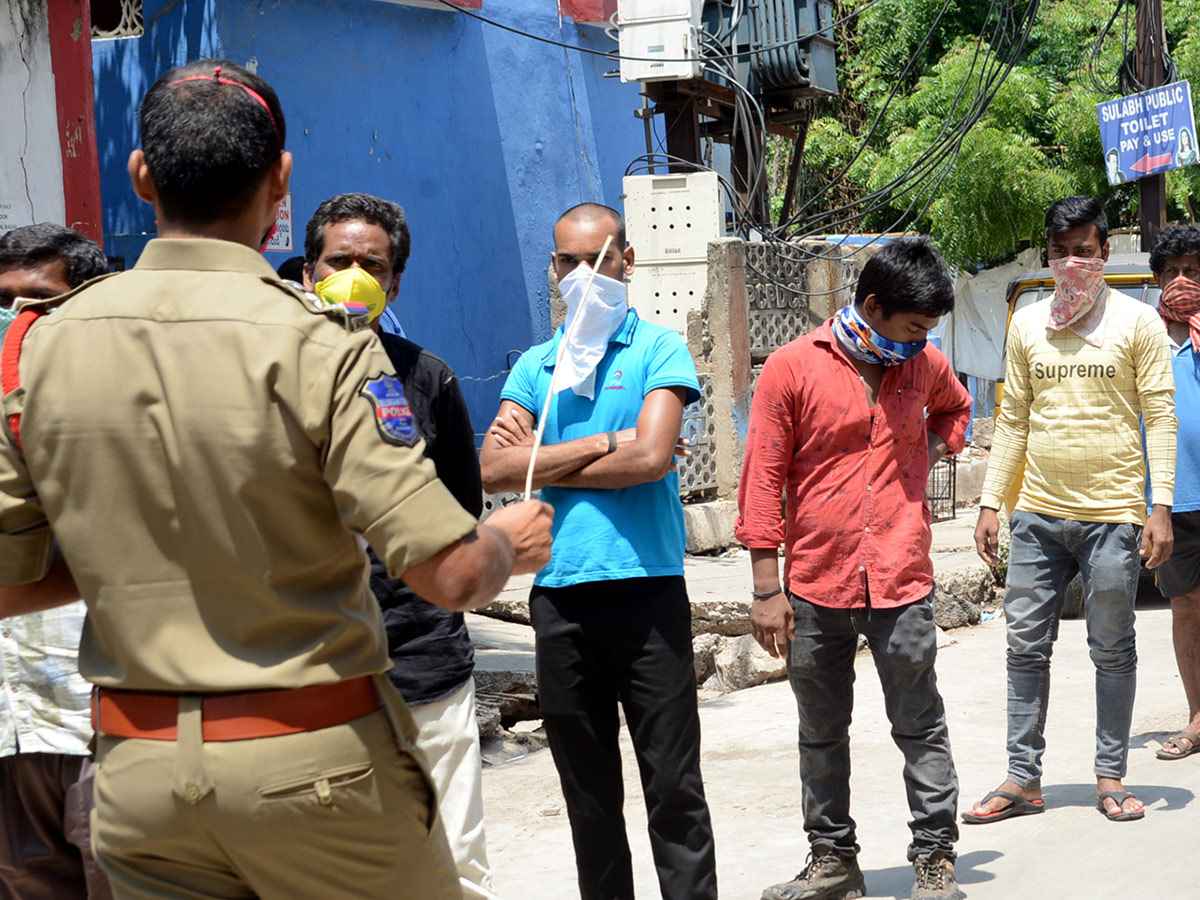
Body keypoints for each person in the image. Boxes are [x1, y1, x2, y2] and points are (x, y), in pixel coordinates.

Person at [0, 58, 554, 900]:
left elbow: (13, 581)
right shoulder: (325, 344)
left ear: (142, 175)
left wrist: (131, 556)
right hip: (313, 767)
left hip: (137, 772)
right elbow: (445, 573)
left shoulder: (39, 350)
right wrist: (506, 544)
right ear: (280, 181)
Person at [479, 202, 717, 900]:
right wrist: (599, 443)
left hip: (646, 593)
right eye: (569, 263)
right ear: (553, 270)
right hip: (559, 598)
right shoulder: (537, 365)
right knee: (588, 796)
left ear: (627, 262)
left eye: (599, 260)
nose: (584, 275)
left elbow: (650, 457)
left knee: (673, 787)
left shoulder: (658, 350)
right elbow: (492, 469)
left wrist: (543, 458)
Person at [737, 239, 971, 900]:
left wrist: (928, 449)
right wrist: (765, 588)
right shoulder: (791, 368)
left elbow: (956, 410)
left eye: (929, 332)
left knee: (920, 723)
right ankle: (833, 861)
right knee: (820, 731)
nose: (921, 342)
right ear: (871, 306)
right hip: (814, 587)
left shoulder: (922, 365)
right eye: (913, 328)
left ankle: (935, 860)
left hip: (901, 579)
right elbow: (761, 480)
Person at [303, 191, 498, 899]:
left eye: (370, 265)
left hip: (421, 663)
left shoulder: (427, 379)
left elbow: (457, 516)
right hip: (309, 672)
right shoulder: (267, 380)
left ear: (394, 283)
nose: (352, 277)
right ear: (305, 271)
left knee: (454, 862)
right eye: (337, 261)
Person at [969, 195, 1175, 824]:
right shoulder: (1028, 324)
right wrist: (990, 502)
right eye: (1059, 253)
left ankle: (1109, 775)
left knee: (1111, 647)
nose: (1070, 263)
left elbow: (1159, 416)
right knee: (1024, 647)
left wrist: (1158, 506)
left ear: (1105, 253)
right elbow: (1013, 420)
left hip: (1113, 515)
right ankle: (1021, 777)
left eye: (1083, 251)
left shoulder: (1140, 323)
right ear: (1047, 255)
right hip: (1036, 516)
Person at [0, 224, 111, 900]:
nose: (15, 323)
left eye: (36, 304)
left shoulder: (118, 417)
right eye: (2, 303)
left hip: (96, 724)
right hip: (10, 734)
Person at [1147, 224, 1200, 761]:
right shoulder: (1145, 339)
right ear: (1157, 279)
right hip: (1172, 499)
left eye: (1195, 271)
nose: (1183, 280)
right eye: (1173, 272)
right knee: (1186, 606)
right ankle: (1197, 717)